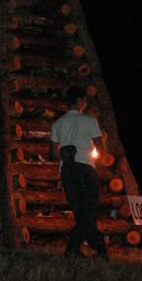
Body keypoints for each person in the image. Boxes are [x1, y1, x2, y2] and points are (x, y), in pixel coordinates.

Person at [50, 86, 108, 259]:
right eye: (84, 100)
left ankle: (92, 250)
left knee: (81, 212)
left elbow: (53, 153)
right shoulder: (90, 120)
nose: (85, 103)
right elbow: (100, 147)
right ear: (79, 101)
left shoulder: (58, 123)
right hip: (85, 168)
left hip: (67, 170)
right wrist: (99, 152)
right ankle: (78, 249)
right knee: (89, 210)